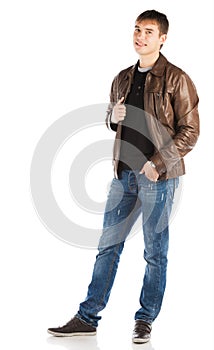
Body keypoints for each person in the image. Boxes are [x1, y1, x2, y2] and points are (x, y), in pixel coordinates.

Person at [48, 10, 199, 344]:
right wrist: (112, 118)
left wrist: (158, 163)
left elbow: (190, 132)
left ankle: (145, 320)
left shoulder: (177, 79)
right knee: (107, 248)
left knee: (154, 252)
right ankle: (88, 317)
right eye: (136, 30)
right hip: (123, 176)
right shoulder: (122, 77)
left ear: (162, 38)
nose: (140, 36)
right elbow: (117, 119)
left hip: (159, 178)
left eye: (148, 31)